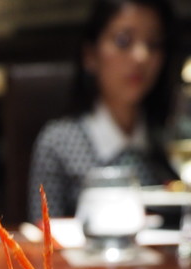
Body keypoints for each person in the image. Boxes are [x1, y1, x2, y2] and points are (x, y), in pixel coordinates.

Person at [28, 0, 178, 221]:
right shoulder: (59, 142)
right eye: (123, 41)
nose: (141, 56)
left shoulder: (171, 138)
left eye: (153, 44)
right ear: (90, 55)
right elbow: (44, 234)